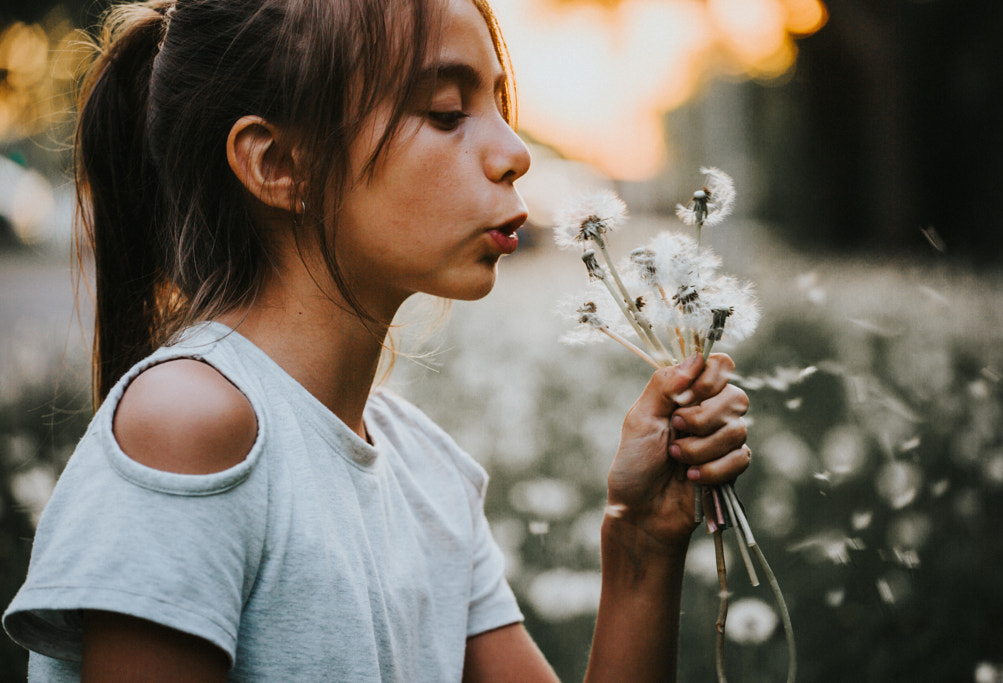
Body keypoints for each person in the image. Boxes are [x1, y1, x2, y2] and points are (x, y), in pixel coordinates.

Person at [2, 0, 751, 680]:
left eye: (498, 103)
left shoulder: (430, 474)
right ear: (278, 164)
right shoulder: (190, 425)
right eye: (448, 111)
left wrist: (641, 543)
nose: (515, 152)